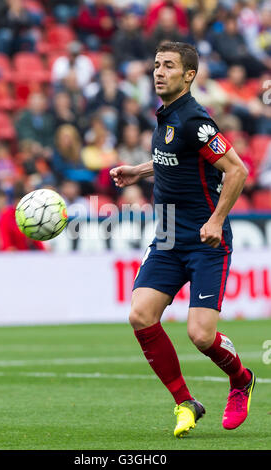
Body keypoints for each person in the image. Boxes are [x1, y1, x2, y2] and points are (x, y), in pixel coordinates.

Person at [110, 41, 255, 438]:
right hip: (168, 236)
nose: (158, 71)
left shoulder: (196, 120)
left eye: (169, 66)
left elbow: (237, 170)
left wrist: (216, 219)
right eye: (156, 65)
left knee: (201, 335)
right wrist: (140, 170)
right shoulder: (166, 115)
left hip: (206, 242)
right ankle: (185, 401)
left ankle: (241, 379)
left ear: (189, 75)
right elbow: (175, 158)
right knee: (140, 314)